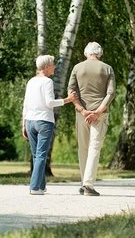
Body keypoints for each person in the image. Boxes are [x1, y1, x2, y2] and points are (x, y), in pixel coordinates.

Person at [22, 55, 76, 195]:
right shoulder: (47, 82)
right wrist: (67, 100)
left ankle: (41, 186)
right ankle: (34, 187)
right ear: (46, 67)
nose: (54, 67)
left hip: (30, 122)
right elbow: (50, 103)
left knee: (36, 155)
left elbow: (26, 104)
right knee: (40, 156)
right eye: (52, 64)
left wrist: (23, 124)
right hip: (44, 122)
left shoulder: (31, 82)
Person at [67, 42, 116, 196]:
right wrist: (98, 111)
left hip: (82, 115)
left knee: (83, 148)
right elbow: (111, 93)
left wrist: (82, 110)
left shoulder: (77, 67)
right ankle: (88, 184)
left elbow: (71, 91)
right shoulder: (107, 68)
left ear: (86, 53)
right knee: (94, 148)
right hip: (100, 115)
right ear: (100, 53)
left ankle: (84, 183)